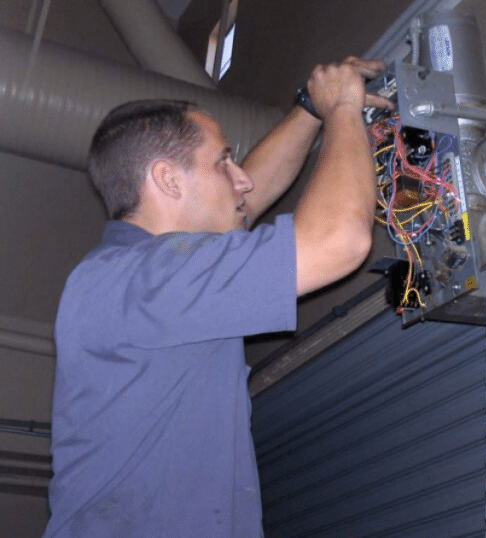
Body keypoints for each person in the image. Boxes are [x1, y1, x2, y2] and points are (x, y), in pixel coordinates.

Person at [42, 57, 392, 537]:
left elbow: (244, 200)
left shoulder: (133, 278)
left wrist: (310, 109)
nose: (241, 178)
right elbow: (338, 241)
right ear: (168, 180)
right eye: (222, 161)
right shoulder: (146, 278)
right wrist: (343, 109)